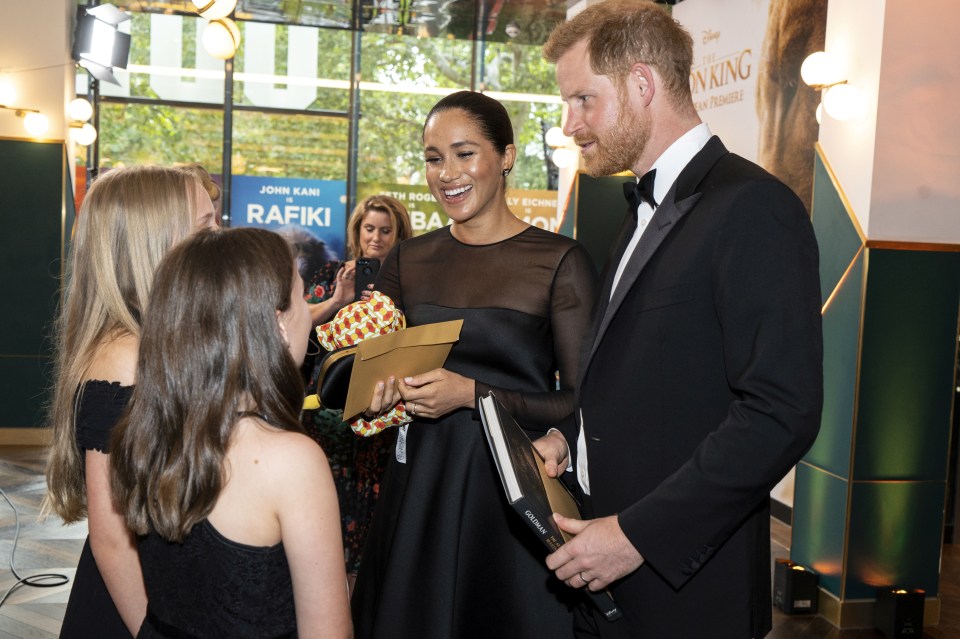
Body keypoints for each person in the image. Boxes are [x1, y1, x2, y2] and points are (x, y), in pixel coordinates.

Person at [536, 2, 824, 637]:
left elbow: (781, 411)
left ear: (643, 84)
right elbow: (651, 376)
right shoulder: (640, 210)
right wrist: (572, 439)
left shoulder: (754, 208)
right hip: (609, 578)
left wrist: (638, 535)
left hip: (687, 593)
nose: (570, 123)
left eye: (584, 99)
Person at [351, 90, 598, 638]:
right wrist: (373, 392)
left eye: (464, 153)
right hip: (420, 488)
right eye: (434, 157)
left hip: (512, 495)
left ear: (506, 156)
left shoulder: (559, 261)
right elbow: (369, 370)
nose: (447, 174)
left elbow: (583, 401)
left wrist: (474, 394)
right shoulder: (408, 260)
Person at [109, 227, 352, 638]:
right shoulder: (290, 460)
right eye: (300, 294)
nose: (308, 308)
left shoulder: (143, 431)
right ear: (276, 324)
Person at [45, 165, 217, 638]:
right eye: (206, 227)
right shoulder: (124, 356)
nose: (219, 237)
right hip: (136, 604)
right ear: (155, 240)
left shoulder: (155, 337)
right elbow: (113, 539)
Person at [302, 194, 412, 592]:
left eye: (386, 230)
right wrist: (338, 300)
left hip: (380, 416)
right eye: (370, 229)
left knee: (371, 517)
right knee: (321, 512)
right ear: (357, 231)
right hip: (327, 414)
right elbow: (301, 337)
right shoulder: (331, 274)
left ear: (399, 233)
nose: (377, 238)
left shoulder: (407, 281)